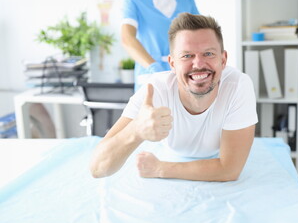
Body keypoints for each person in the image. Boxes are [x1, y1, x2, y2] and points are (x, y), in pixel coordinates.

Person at [90, 13, 258, 182]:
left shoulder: (238, 86)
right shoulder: (155, 89)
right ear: (172, 64)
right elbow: (98, 168)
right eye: (187, 55)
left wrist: (160, 168)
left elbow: (229, 170)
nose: (198, 64)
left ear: (223, 60)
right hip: (169, 153)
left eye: (208, 54)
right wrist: (136, 130)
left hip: (174, 160)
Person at [121, 0, 199, 90]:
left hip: (182, 72)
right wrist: (153, 67)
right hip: (150, 73)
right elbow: (127, 38)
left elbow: (199, 34)